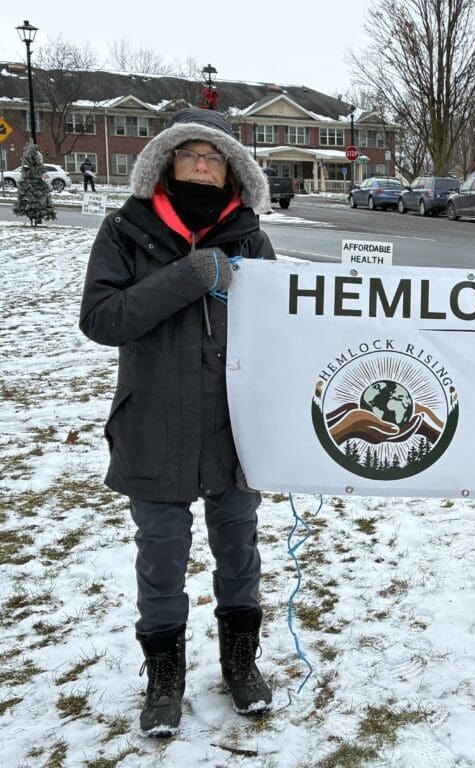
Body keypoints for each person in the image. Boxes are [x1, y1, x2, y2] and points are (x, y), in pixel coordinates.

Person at [79, 108, 276, 737]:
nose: (199, 164)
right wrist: (187, 277)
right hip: (154, 424)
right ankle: (164, 678)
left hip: (232, 428)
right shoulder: (126, 231)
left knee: (238, 551)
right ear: (165, 162)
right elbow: (103, 319)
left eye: (212, 156)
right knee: (161, 557)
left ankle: (241, 664)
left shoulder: (248, 237)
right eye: (188, 153)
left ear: (230, 171)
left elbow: (284, 328)